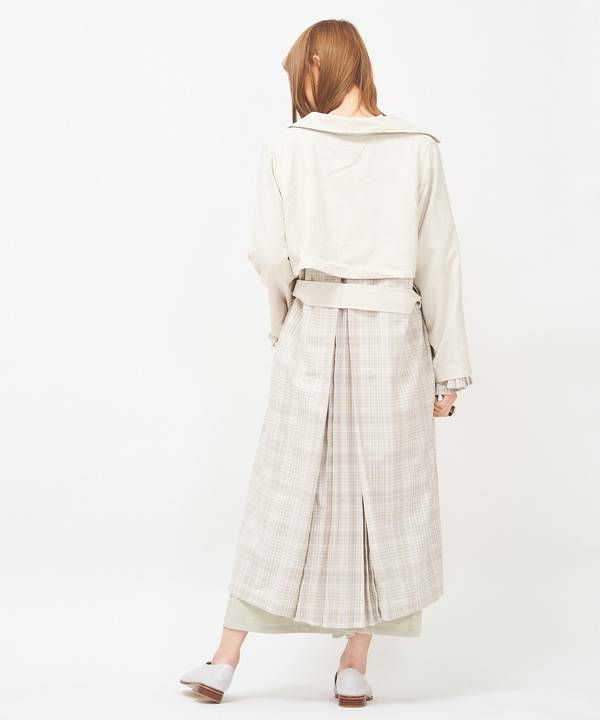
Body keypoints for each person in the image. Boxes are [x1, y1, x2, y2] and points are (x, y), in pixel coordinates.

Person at [180, 18, 473, 707]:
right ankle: (352, 665)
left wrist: (289, 311)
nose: (299, 87)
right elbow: (440, 260)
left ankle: (226, 659)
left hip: (314, 324)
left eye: (299, 73)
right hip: (393, 332)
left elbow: (266, 252)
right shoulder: (419, 148)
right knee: (381, 494)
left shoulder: (289, 146)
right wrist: (448, 368)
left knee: (285, 490)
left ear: (318, 66)